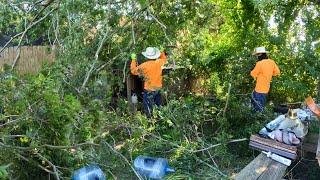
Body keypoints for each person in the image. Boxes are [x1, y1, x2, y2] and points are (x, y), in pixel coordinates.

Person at [130, 47, 167, 117]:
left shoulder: (144, 65)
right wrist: (162, 52)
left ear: (147, 56)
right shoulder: (159, 62)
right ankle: (159, 120)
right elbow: (164, 59)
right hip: (158, 89)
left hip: (149, 90)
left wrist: (133, 59)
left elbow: (133, 71)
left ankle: (150, 122)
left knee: (148, 108)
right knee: (158, 106)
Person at [250, 46, 280, 112]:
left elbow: (253, 74)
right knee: (260, 105)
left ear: (260, 54)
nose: (257, 56)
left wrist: (252, 70)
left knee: (258, 109)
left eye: (257, 55)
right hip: (266, 89)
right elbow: (277, 72)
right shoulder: (272, 62)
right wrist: (269, 74)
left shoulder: (259, 63)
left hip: (259, 89)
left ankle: (258, 120)